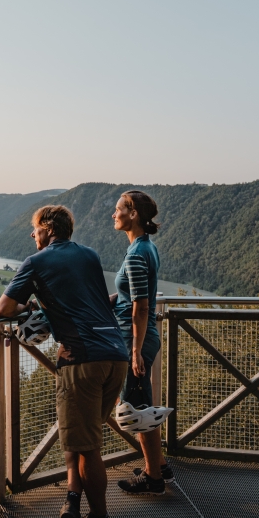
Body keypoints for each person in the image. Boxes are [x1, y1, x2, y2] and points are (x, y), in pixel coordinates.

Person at [0, 205, 128, 518]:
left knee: (89, 447)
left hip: (81, 360)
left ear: (48, 228)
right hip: (116, 355)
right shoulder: (89, 255)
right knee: (81, 442)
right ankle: (73, 504)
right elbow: (98, 302)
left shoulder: (36, 261)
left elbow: (3, 309)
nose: (32, 235)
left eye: (34, 229)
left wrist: (29, 310)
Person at [110, 190, 173, 494]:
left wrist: (134, 351)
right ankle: (159, 466)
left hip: (135, 338)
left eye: (118, 209)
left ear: (133, 214)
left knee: (135, 407)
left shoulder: (136, 254)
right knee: (140, 402)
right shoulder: (146, 247)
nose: (114, 214)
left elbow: (141, 306)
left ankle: (153, 479)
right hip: (140, 336)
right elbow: (128, 297)